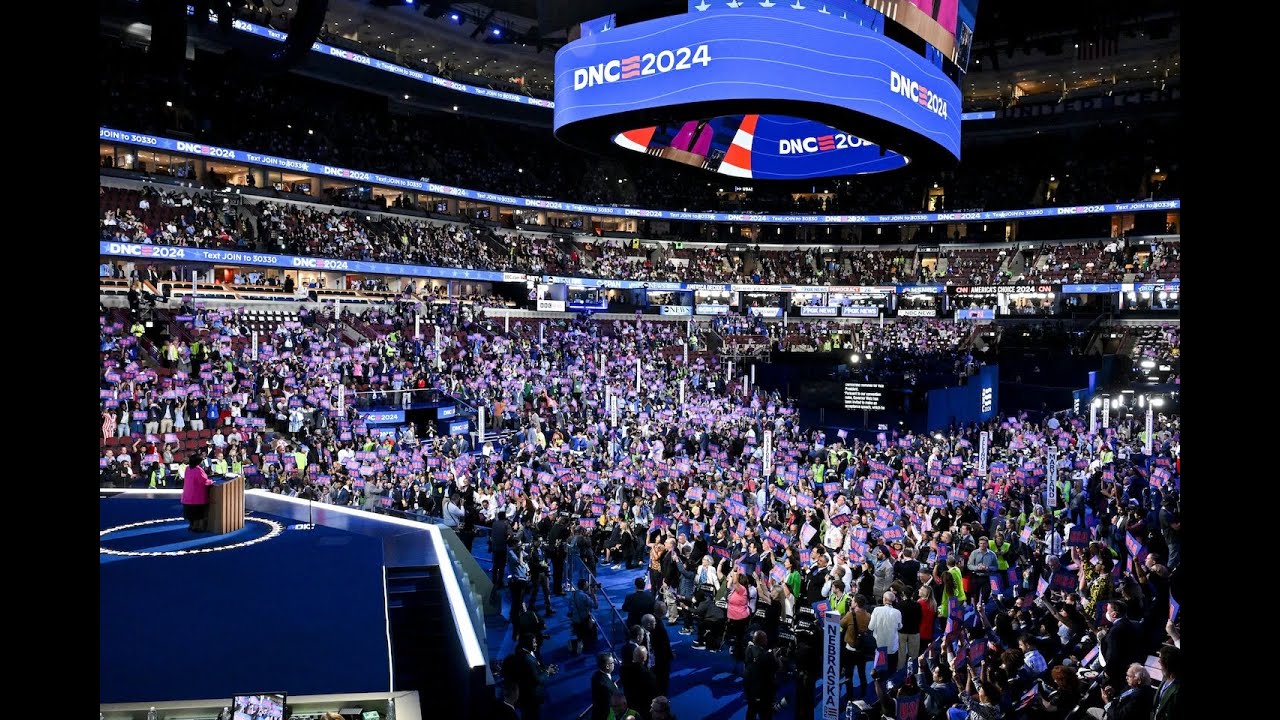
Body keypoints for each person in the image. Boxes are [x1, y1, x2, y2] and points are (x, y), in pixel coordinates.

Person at [1087, 663, 1154, 720]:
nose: (1126, 678)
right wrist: (1113, 693)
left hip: (1113, 716)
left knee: (1089, 711)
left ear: (1138, 680)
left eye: (1129, 676)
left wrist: (1106, 701)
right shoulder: (1136, 687)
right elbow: (1122, 699)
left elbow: (1116, 717)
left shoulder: (1138, 697)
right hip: (1114, 710)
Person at [743, 631, 779, 720]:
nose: (767, 640)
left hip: (750, 690)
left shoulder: (749, 650)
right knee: (765, 715)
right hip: (763, 693)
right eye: (765, 638)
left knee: (751, 711)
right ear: (763, 641)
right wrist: (774, 656)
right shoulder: (767, 656)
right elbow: (776, 667)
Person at [618, 645, 657, 720]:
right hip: (645, 708)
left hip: (631, 705)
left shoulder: (623, 670)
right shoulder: (647, 674)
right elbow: (654, 692)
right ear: (644, 658)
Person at [869, 590, 904, 674]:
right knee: (891, 671)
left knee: (880, 672)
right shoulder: (897, 612)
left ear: (884, 599)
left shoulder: (876, 610)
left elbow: (870, 627)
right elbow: (899, 627)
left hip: (879, 644)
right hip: (892, 646)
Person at [181, 451, 214, 532]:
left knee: (190, 513)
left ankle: (191, 526)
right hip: (197, 497)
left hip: (187, 496)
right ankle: (198, 527)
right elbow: (204, 481)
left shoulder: (187, 468)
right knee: (198, 514)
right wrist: (211, 482)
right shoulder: (198, 470)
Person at [591, 653, 620, 720]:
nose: (615, 663)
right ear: (607, 666)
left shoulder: (595, 675)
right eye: (613, 662)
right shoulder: (608, 687)